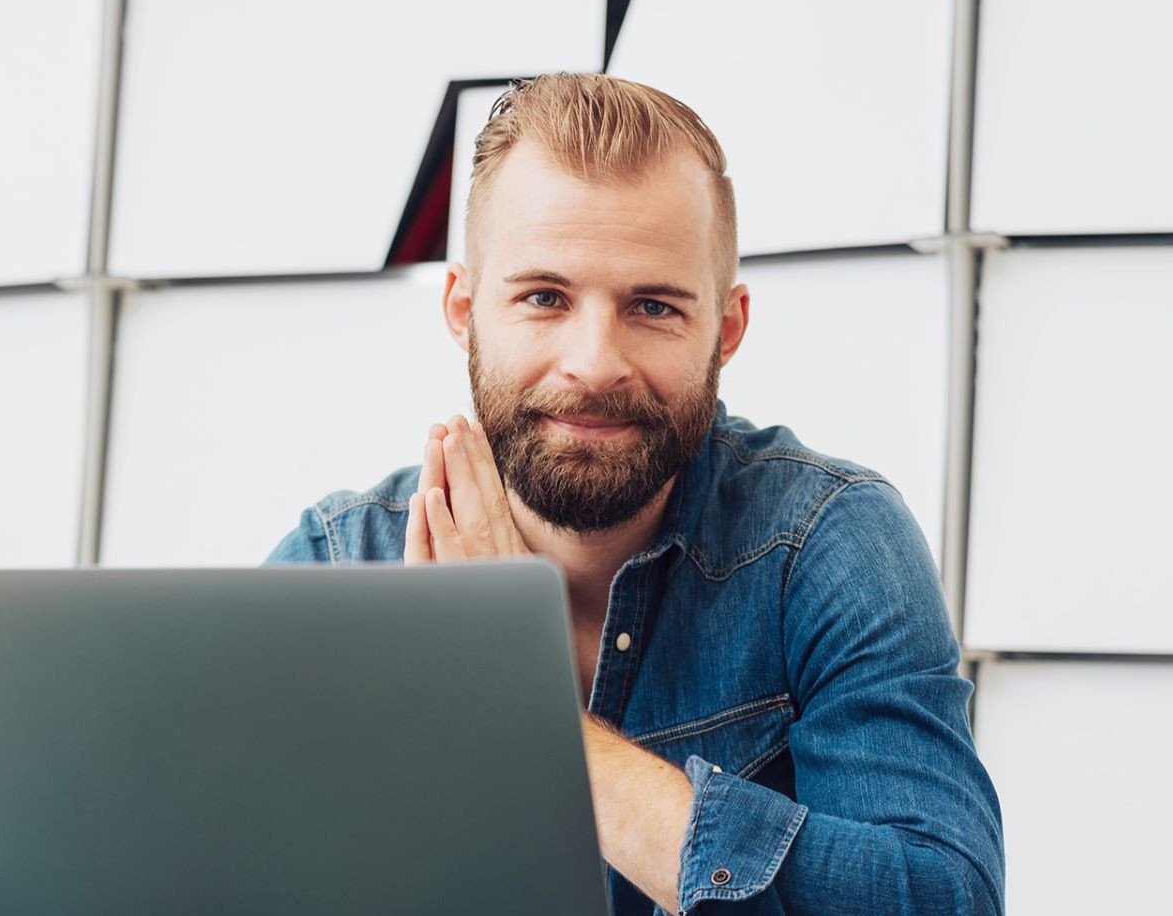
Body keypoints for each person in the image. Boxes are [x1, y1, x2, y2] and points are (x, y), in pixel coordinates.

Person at [266, 72, 1003, 915]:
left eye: (652, 306)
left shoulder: (829, 545)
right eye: (544, 297)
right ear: (464, 309)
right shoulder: (339, 566)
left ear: (726, 329)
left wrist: (528, 706)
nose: (595, 363)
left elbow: (941, 899)